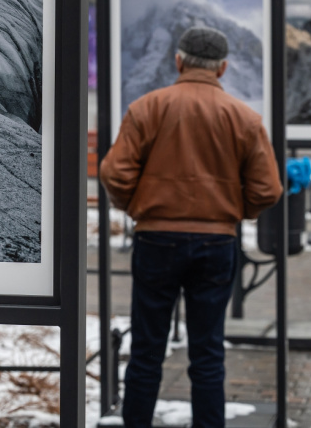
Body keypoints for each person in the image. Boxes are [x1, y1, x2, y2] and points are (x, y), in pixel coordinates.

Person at [99, 26, 283, 428]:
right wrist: (234, 211)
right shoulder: (245, 118)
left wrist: (137, 207)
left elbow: (114, 172)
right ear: (223, 68)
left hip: (156, 239)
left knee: (147, 350)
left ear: (178, 61)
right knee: (208, 352)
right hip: (217, 242)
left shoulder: (147, 108)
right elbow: (268, 188)